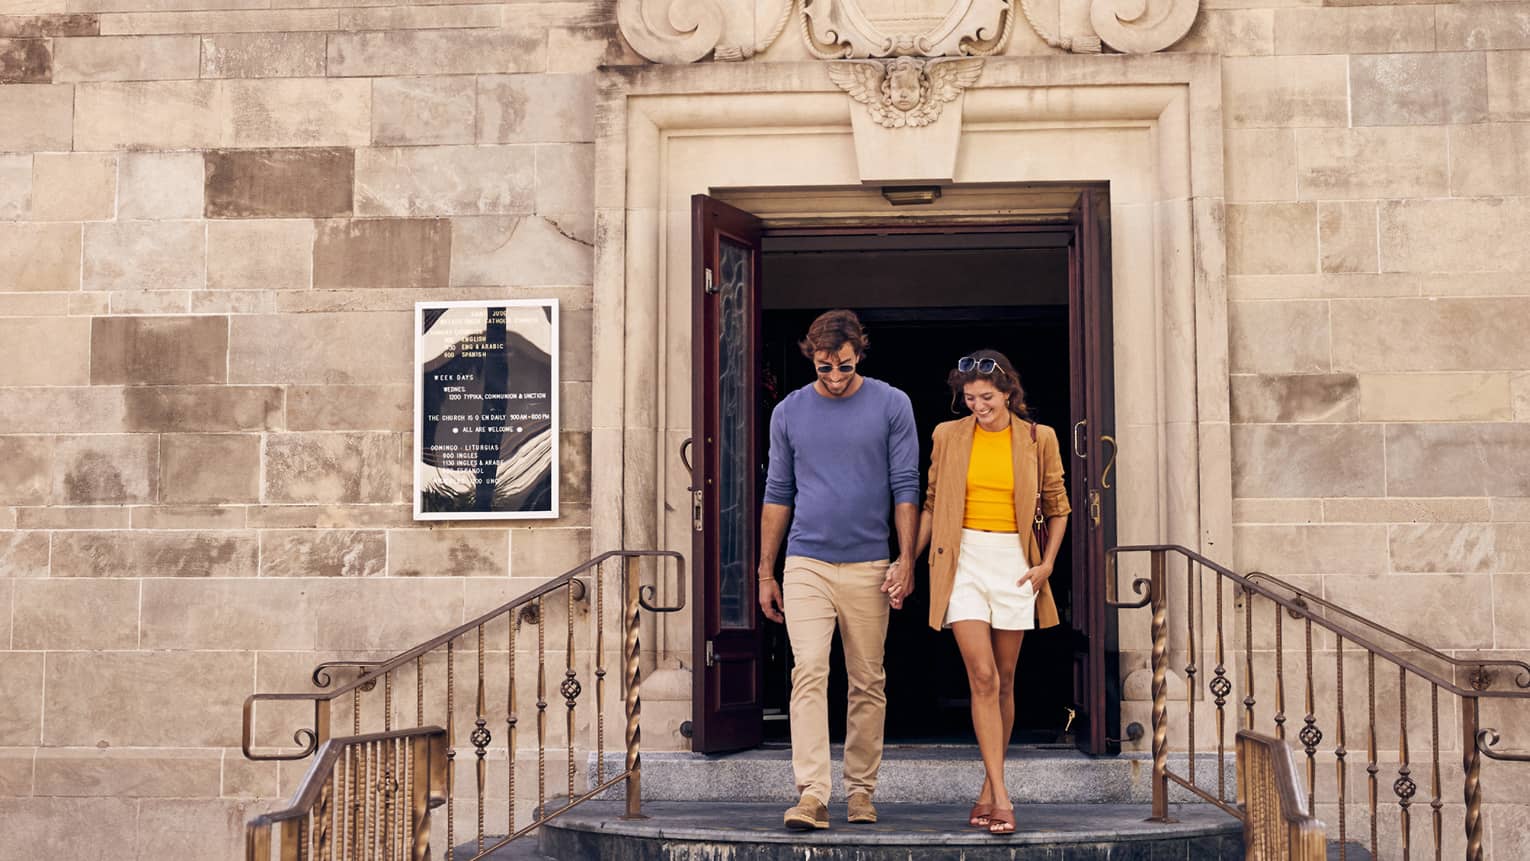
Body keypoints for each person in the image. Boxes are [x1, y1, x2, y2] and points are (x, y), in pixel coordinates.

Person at [757, 309, 920, 831]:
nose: (833, 377)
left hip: (871, 562)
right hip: (807, 561)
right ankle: (812, 794)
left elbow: (906, 487)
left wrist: (907, 559)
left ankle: (861, 791)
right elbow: (778, 493)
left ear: (859, 354)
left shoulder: (893, 404)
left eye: (844, 367)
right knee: (808, 671)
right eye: (823, 367)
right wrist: (766, 571)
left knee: (868, 680)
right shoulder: (789, 411)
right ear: (813, 357)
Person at [914, 349, 1070, 835]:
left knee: (1004, 679)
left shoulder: (1037, 437)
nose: (977, 405)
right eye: (969, 398)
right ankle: (1003, 798)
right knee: (980, 676)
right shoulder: (947, 434)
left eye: (986, 397)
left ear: (1008, 394)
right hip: (961, 560)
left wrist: (1046, 564)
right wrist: (907, 560)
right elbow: (933, 501)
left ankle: (988, 785)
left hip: (1015, 564)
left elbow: (1058, 504)